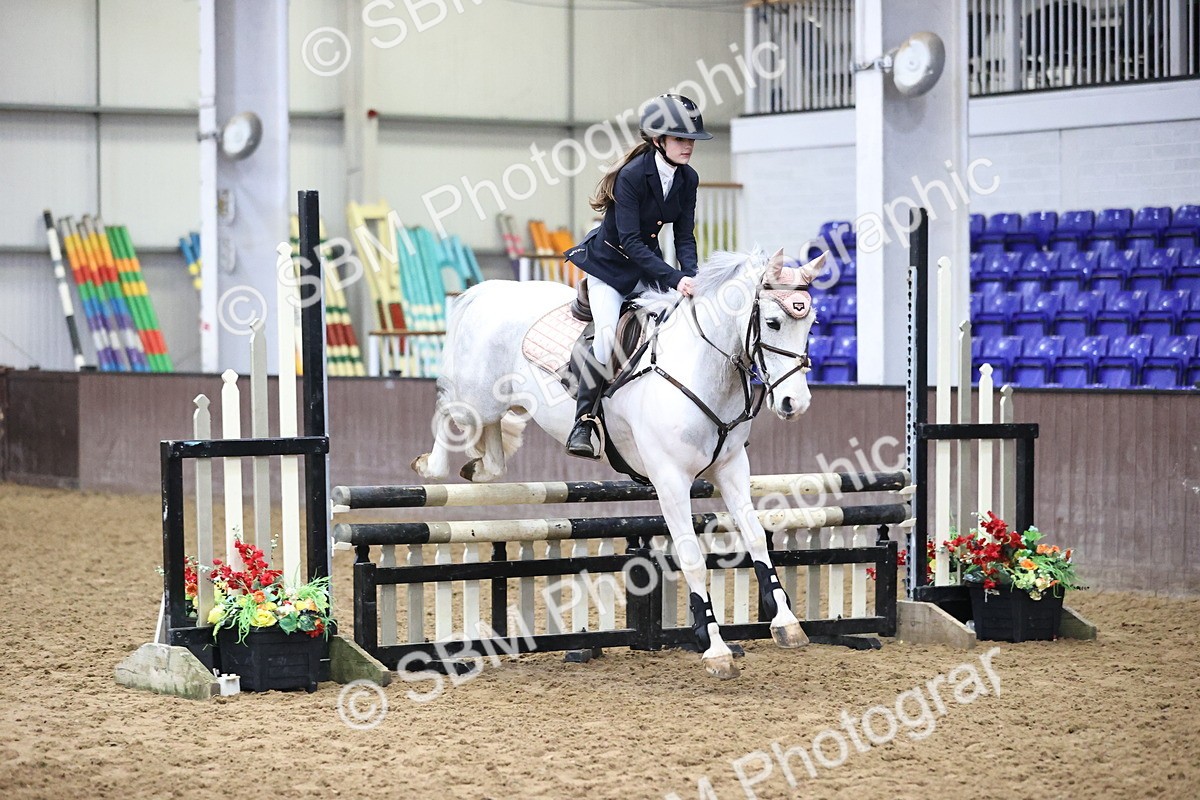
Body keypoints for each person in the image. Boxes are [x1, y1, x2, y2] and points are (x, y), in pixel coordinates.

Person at [561, 93, 711, 459]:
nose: (688, 146)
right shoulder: (631, 176)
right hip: (610, 266)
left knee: (685, 320)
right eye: (680, 138)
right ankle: (584, 421)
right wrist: (674, 279)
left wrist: (691, 277)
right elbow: (629, 241)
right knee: (606, 337)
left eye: (691, 139)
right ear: (658, 140)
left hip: (647, 265)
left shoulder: (688, 178)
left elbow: (684, 236)